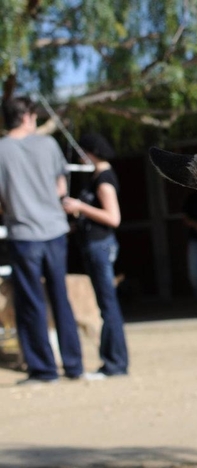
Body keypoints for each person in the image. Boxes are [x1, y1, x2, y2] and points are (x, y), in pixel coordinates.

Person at [0, 96, 83, 384]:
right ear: (26, 116)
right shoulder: (48, 145)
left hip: (23, 234)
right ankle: (74, 365)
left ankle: (44, 369)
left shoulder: (1, 150)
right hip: (55, 231)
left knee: (31, 302)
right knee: (60, 298)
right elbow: (61, 184)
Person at [62, 132, 128, 378]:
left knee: (108, 306)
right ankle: (112, 362)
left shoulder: (103, 180)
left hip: (100, 247)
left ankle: (115, 364)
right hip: (93, 245)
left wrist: (80, 207)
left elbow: (113, 218)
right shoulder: (96, 177)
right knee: (106, 305)